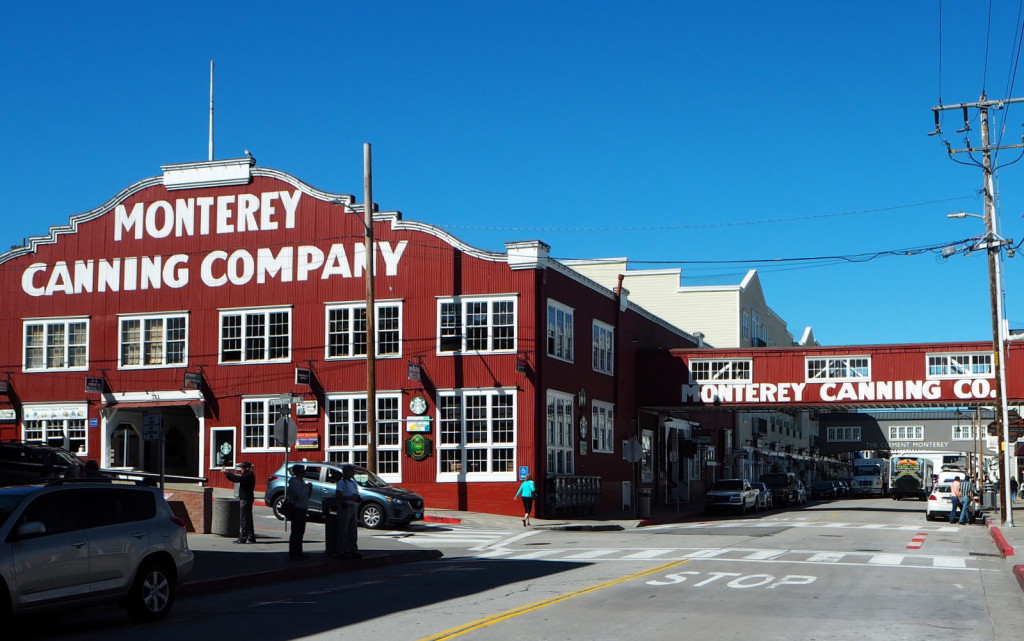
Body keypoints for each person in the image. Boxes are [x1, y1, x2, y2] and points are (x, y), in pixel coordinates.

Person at [223, 461, 256, 543]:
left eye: (242, 468)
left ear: (247, 468)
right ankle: (250, 536)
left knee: (244, 518)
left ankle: (243, 537)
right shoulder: (247, 475)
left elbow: (238, 479)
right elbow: (235, 479)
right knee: (248, 518)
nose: (241, 469)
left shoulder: (249, 475)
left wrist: (227, 473)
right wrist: (227, 475)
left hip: (246, 498)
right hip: (246, 498)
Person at [334, 463, 362, 559]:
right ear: (346, 472)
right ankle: (341, 551)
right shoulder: (341, 483)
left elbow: (356, 493)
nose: (353, 473)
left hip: (353, 507)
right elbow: (338, 496)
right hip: (345, 507)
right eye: (351, 471)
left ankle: (353, 550)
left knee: (353, 531)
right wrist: (350, 497)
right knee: (343, 530)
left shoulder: (353, 482)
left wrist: (356, 498)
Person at [286, 464, 313, 560]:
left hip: (303, 508)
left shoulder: (302, 482)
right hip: (296, 509)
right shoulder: (294, 482)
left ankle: (299, 552)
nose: (304, 473)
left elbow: (306, 496)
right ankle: (293, 553)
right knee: (296, 532)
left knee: (301, 531)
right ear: (296, 472)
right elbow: (300, 495)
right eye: (302, 471)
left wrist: (309, 489)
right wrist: (307, 487)